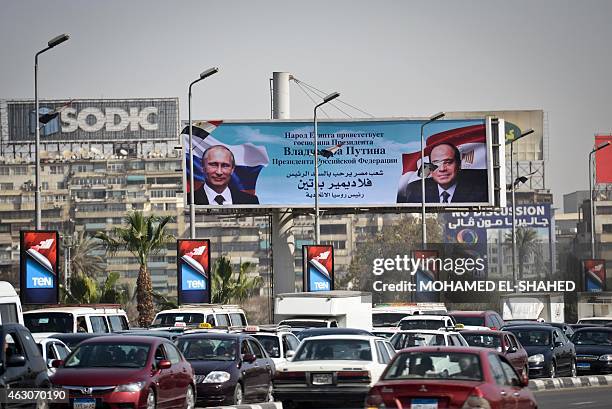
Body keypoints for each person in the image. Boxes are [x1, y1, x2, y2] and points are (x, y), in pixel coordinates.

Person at [397, 142, 488, 204]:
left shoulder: (480, 191)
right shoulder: (417, 191)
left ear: (459, 165)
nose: (442, 169)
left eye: (448, 162)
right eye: (436, 163)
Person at [192, 145, 259, 205]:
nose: (219, 172)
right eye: (213, 165)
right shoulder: (189, 200)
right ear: (202, 167)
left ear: (232, 169)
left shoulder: (250, 201)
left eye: (225, 166)